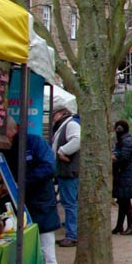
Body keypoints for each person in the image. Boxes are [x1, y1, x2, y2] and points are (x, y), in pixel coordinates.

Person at [5, 118, 68, 264]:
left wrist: (19, 182)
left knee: (47, 256)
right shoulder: (5, 149)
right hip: (16, 208)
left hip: (40, 207)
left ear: (13, 130)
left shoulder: (35, 143)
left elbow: (49, 168)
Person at [51, 101, 80, 247]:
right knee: (71, 203)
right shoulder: (68, 124)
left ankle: (72, 235)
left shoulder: (70, 124)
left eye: (54, 115)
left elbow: (77, 139)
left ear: (61, 113)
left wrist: (62, 151)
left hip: (68, 171)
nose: (52, 118)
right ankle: (72, 232)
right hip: (66, 171)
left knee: (69, 203)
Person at [112, 120, 132, 235]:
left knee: (125, 202)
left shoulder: (126, 141)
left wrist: (115, 159)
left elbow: (124, 158)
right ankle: (119, 226)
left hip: (125, 174)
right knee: (122, 201)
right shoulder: (124, 140)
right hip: (123, 174)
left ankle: (131, 227)